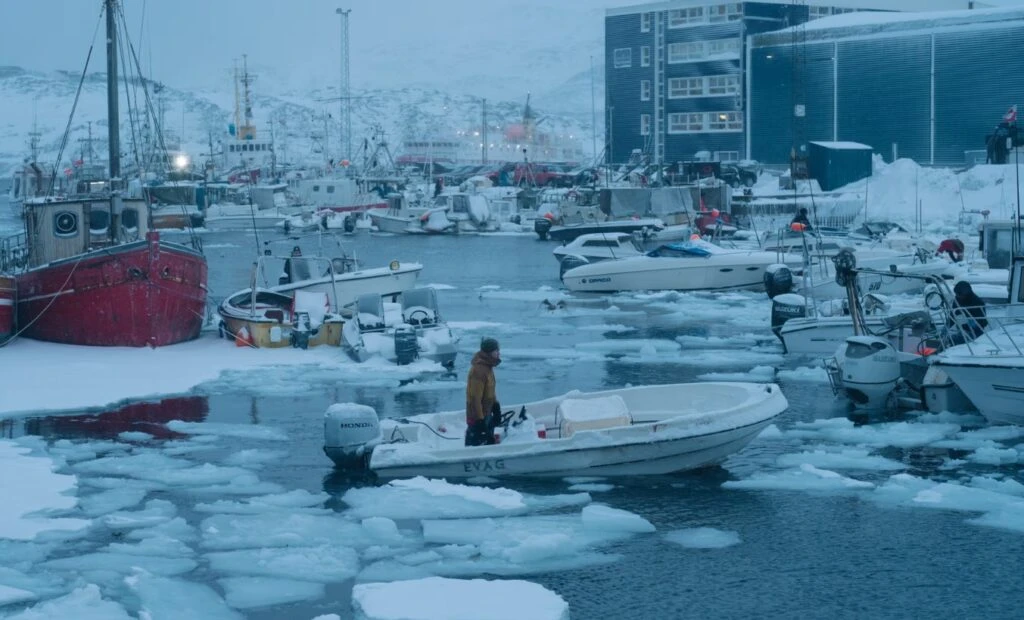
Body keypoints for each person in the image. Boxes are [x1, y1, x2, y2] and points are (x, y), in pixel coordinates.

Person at [465, 337, 501, 447]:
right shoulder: (479, 371)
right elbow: (474, 398)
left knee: (489, 443)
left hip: (486, 414)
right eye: (496, 351)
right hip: (478, 418)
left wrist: (495, 406)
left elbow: (489, 391)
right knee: (478, 446)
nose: (499, 353)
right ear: (490, 352)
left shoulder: (488, 367)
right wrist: (479, 421)